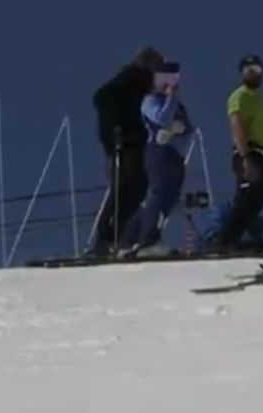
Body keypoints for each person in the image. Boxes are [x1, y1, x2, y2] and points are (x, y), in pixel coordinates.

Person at [88, 46, 162, 257]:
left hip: (132, 142)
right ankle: (104, 240)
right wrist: (116, 133)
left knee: (136, 189)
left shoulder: (137, 85)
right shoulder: (131, 81)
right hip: (126, 143)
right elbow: (103, 96)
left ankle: (111, 238)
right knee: (124, 188)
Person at [211, 54, 263, 252]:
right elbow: (238, 126)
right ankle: (225, 241)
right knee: (249, 201)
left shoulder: (261, 101)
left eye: (257, 70)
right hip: (252, 153)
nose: (253, 74)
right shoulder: (240, 96)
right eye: (248, 71)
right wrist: (245, 157)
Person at [122, 61, 192, 257]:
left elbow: (188, 127)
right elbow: (161, 119)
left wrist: (178, 128)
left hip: (176, 155)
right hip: (158, 153)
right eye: (167, 77)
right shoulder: (150, 100)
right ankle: (145, 240)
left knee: (167, 199)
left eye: (175, 77)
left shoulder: (177, 104)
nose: (172, 82)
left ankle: (133, 239)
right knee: (157, 194)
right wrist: (170, 98)